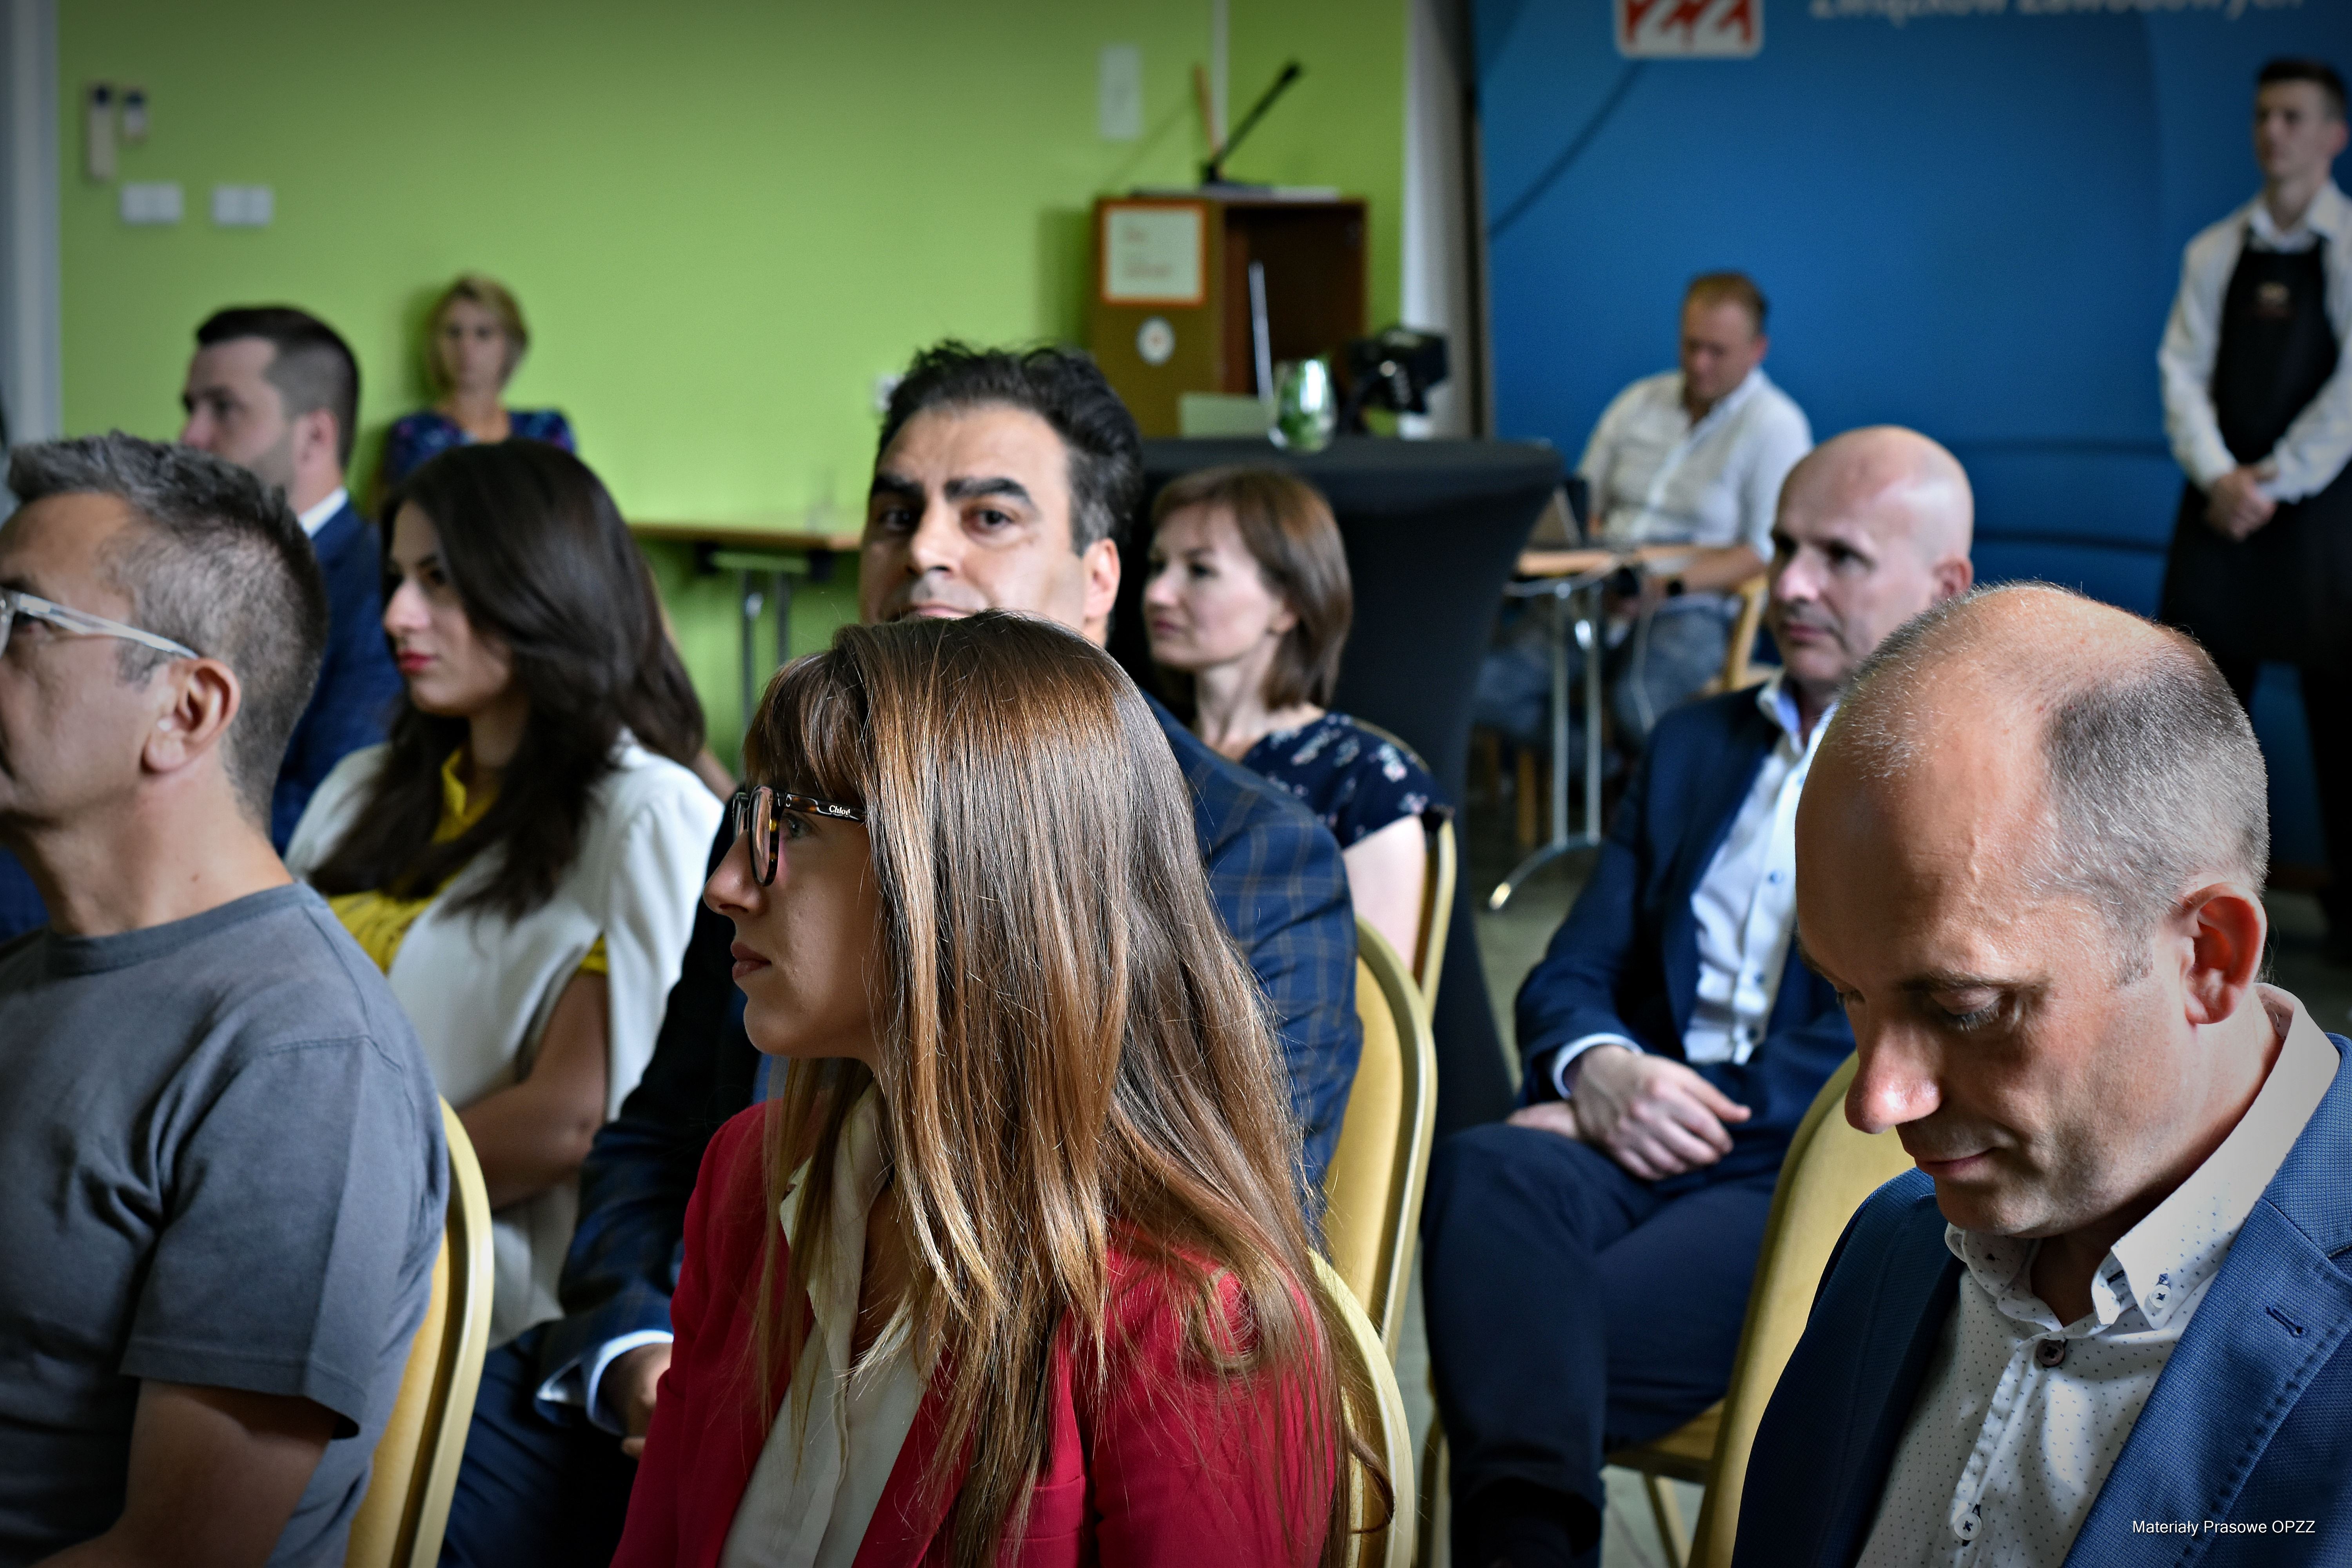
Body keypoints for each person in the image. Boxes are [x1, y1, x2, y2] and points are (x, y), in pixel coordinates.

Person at [437, 342, 1359, 1568]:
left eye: (987, 516)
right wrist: (641, 1350)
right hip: (734, 1311)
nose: (924, 551)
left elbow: (1220, 1188)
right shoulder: (757, 1169)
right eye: (895, 513)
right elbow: (656, 1138)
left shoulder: (1176, 1302)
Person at [617, 611, 1364, 1564]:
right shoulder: (749, 1175)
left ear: (971, 878)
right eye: (748, 817)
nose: (726, 883)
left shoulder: (1188, 1318)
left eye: (790, 826)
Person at [1422, 427, 1974, 1568]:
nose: (1791, 585)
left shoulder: (1962, 783)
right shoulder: (1690, 744)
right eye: (1781, 547)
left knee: (1523, 1333)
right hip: (1634, 1133)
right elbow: (1573, 966)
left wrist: (1651, 1110)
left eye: (1838, 556)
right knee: (1484, 1167)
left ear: (1943, 586)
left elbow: (1894, 1034)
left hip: (1808, 1168)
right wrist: (1599, 1069)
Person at [1737, 583, 2349, 1565]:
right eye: (1846, 992)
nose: (1876, 1102)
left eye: (1964, 1006)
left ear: (2208, 956)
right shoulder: (1890, 1247)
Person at [0, 434, 444, 1562]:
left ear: (187, 710)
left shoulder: (301, 1059)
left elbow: (173, 1559)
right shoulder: (34, 972)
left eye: (22, 622)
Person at [286, 441, 721, 1347]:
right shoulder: (360, 788)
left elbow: (575, 1119)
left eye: (440, 580)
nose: (397, 614)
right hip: (297, 1250)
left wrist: (322, 1190)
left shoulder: (644, 813)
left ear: (543, 584)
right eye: (398, 577)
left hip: (482, 1302)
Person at [2159, 58, 2352, 958]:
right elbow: (2181, 372)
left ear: (2333, 136)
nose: (2274, 131)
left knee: (2341, 720)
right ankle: (2187, 908)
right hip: (2220, 504)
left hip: (2318, 513)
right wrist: (2221, 477)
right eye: (2264, 115)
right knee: (2196, 709)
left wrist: (2276, 480)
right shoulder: (2214, 250)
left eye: (2294, 116)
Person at [1475, 271, 1812, 752]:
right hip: (1596, 591)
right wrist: (1593, 560)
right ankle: (1600, 768)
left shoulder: (1775, 426)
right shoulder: (1638, 402)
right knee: (1485, 686)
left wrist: (1663, 588)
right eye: (1691, 346)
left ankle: (1655, 789)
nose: (1699, 363)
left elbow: (1763, 551)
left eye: (1717, 351)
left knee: (1636, 701)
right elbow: (1585, 504)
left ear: (1757, 350)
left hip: (1691, 608)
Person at [1143, 464, 1447, 963]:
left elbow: (1370, 1000)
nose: (1157, 593)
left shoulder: (1365, 782)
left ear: (1287, 604)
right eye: (1158, 566)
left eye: (1200, 570)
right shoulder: (1141, 744)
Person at [181, 305, 407, 849]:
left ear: (315, 437)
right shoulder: (179, 567)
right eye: (191, 408)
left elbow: (324, 812)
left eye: (224, 408)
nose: (190, 436)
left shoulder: (378, 590)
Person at [381, 274, 575, 488]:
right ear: (435, 343)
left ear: (511, 345)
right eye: (454, 333)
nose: (466, 347)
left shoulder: (545, 431)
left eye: (483, 333)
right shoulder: (414, 436)